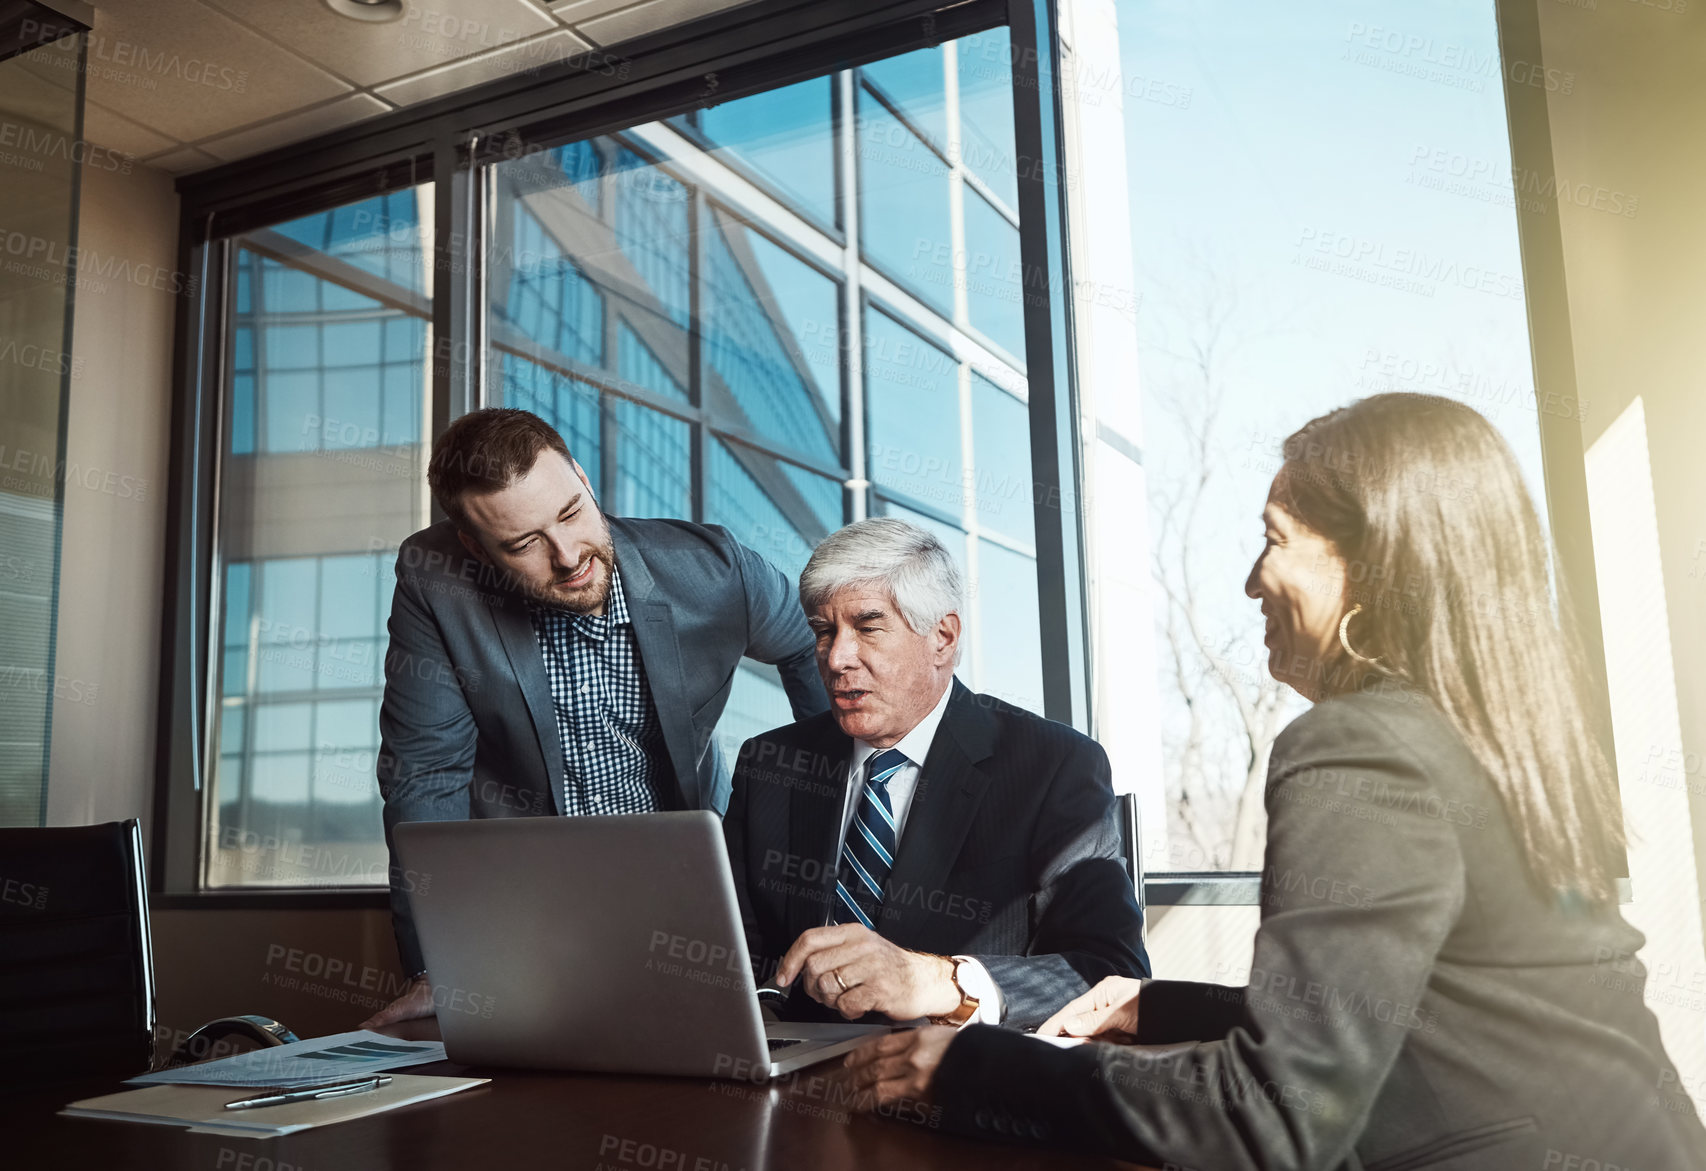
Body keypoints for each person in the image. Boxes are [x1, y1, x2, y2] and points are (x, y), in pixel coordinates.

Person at [845, 393, 1706, 1169]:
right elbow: (1421, 1013)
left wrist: (979, 1067)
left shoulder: (1359, 748)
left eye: (1275, 540)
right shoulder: (1480, 734)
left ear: (1373, 560)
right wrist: (1159, 1005)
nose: (1253, 579)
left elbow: (1276, 1117)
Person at [362, 408, 827, 1027]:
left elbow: (812, 647)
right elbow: (426, 776)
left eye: (572, 512)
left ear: (582, 476)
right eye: (525, 543)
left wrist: (821, 825)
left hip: (684, 886)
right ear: (474, 545)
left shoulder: (714, 570)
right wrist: (439, 962)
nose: (568, 555)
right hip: (528, 908)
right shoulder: (435, 576)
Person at [723, 517, 1149, 1031]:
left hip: (958, 1084)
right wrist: (762, 1013)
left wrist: (939, 982)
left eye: (868, 627)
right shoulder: (770, 764)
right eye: (823, 631)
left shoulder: (1054, 766)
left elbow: (1111, 974)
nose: (837, 657)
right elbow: (734, 953)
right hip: (788, 1079)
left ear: (942, 638)